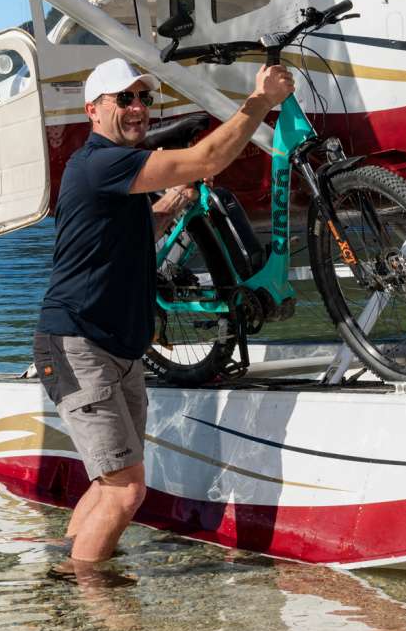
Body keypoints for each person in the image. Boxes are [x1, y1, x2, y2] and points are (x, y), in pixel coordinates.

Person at [34, 55, 294, 579]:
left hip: (117, 348)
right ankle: (94, 597)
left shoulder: (115, 174)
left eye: (143, 99)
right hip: (79, 345)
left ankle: (65, 574)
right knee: (128, 489)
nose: (137, 108)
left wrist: (174, 202)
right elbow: (206, 158)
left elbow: (134, 233)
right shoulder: (100, 163)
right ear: (93, 110)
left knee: (110, 483)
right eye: (123, 98)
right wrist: (260, 102)